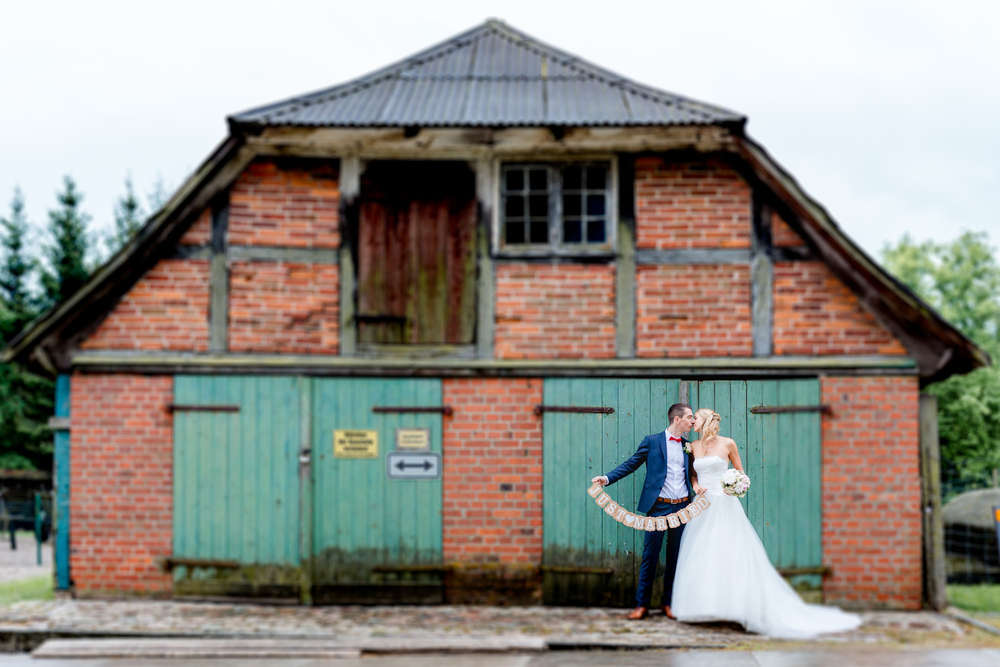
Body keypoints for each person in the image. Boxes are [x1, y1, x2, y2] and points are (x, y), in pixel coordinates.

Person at [671, 408, 862, 638]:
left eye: (697, 419)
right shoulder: (694, 446)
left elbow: (741, 474)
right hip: (702, 506)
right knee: (702, 554)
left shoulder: (728, 444)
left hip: (725, 506)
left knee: (731, 554)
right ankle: (705, 607)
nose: (693, 423)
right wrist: (695, 486)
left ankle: (736, 607)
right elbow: (693, 475)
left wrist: (734, 485)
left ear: (707, 421)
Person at [591, 402, 702, 620]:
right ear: (677, 419)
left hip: (682, 507)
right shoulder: (652, 442)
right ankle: (641, 605)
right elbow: (631, 463)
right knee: (650, 557)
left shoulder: (689, 446)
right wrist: (607, 478)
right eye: (690, 417)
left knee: (675, 558)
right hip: (658, 507)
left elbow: (693, 475)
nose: (693, 421)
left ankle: (668, 604)